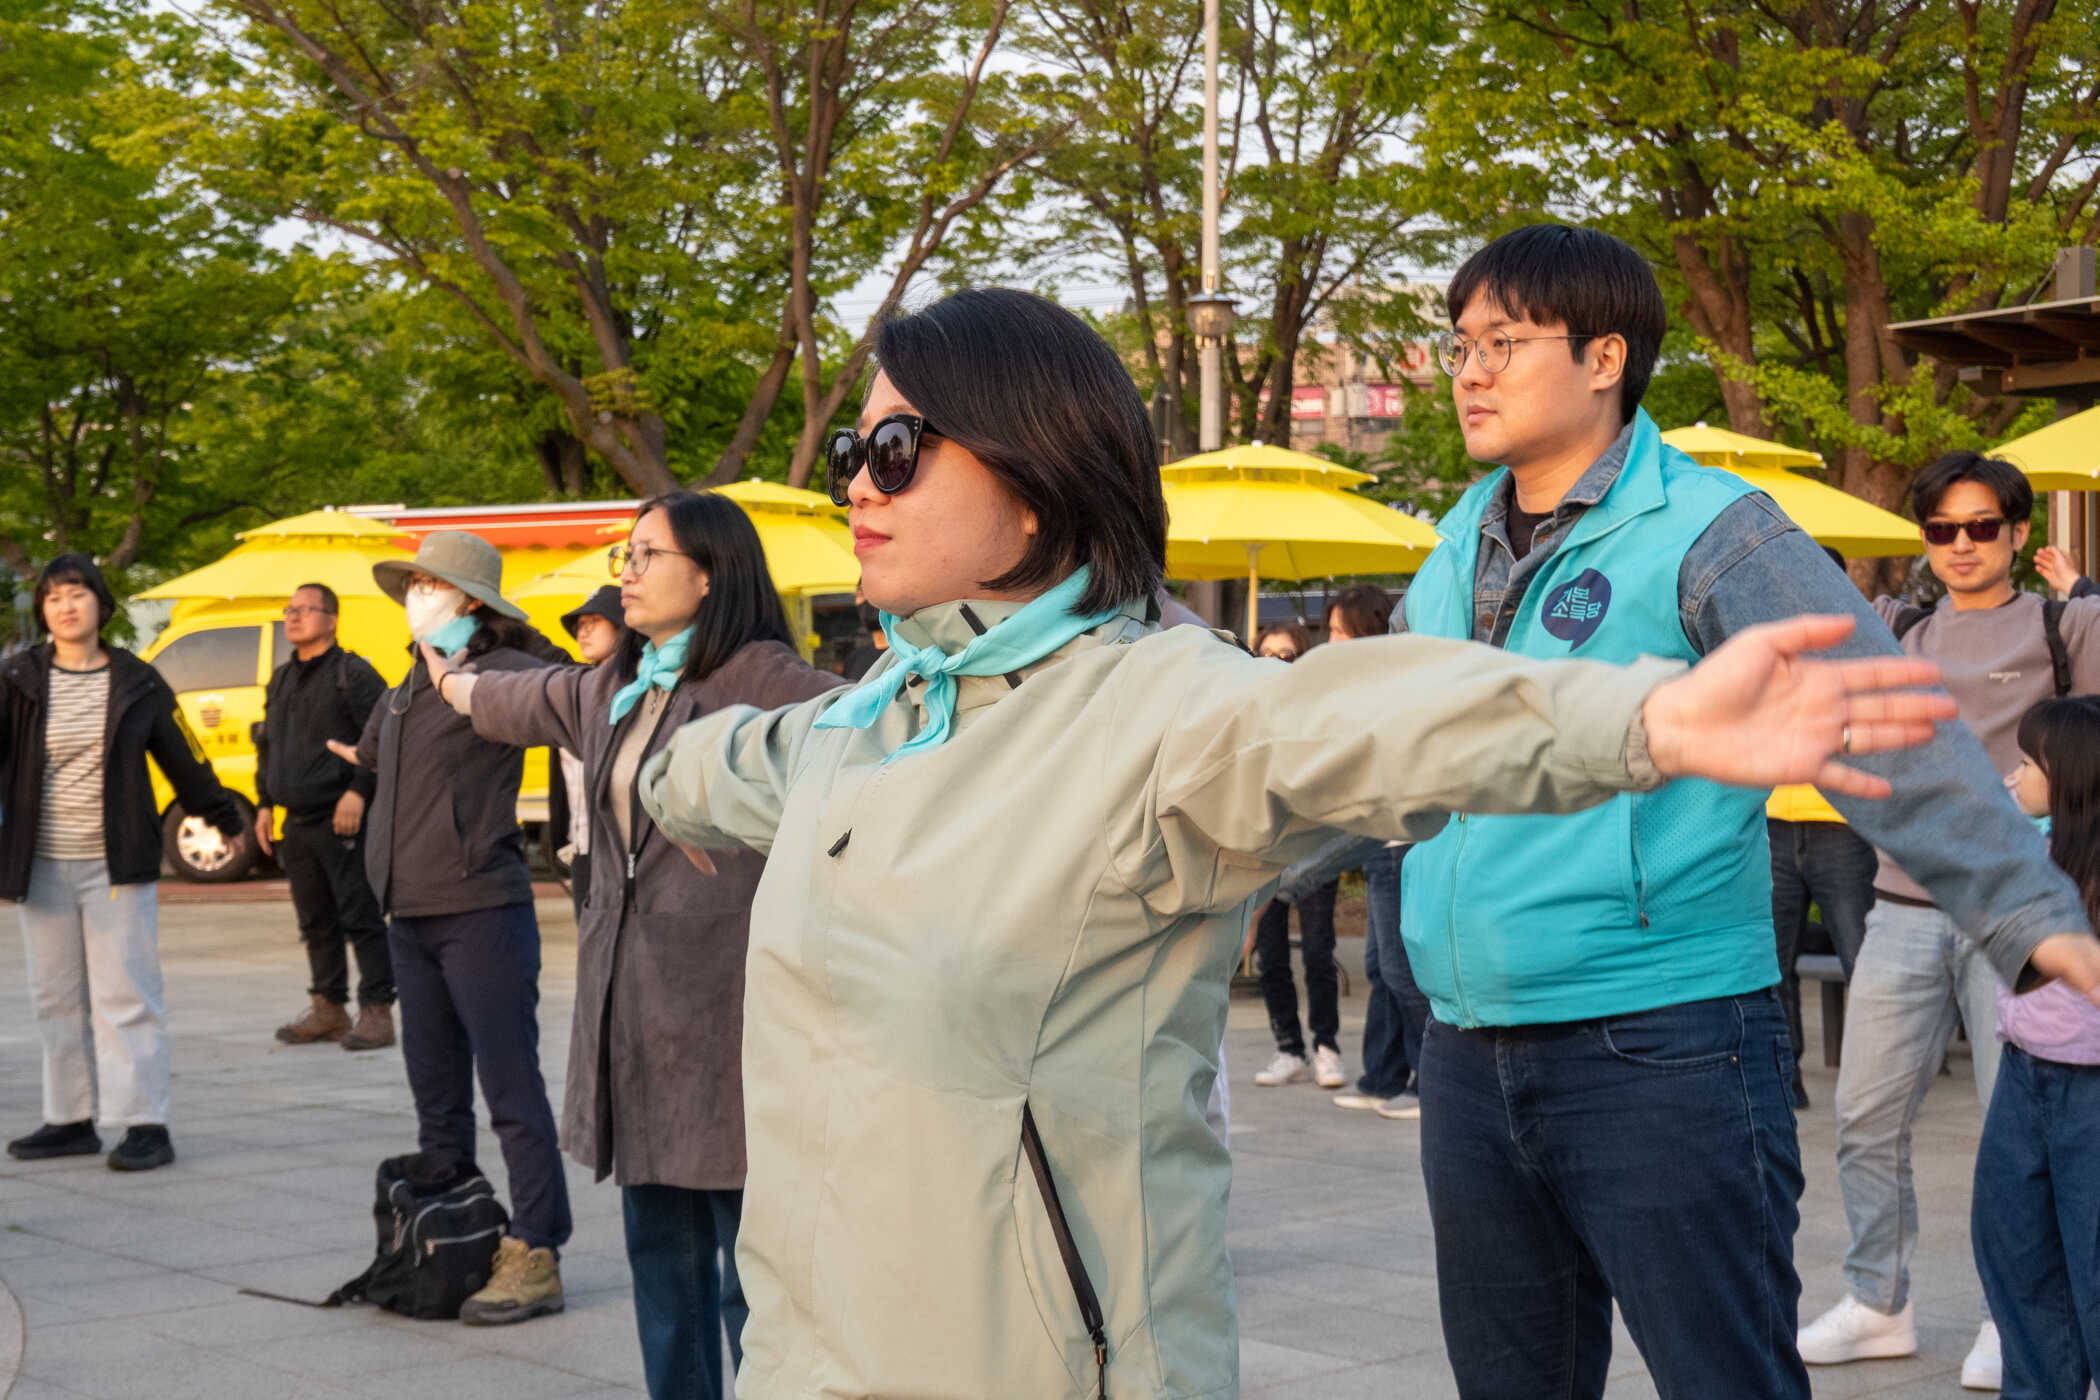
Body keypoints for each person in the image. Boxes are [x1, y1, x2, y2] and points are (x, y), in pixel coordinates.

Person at [633, 285, 1967, 1399]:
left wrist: (1643, 719)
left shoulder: (1151, 708)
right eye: (851, 452)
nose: (857, 483)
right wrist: (653, 773)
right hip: (803, 1362)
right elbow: (724, 763)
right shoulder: (867, 717)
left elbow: (1360, 718)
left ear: (1035, 486)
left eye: (896, 448)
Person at [1393, 224, 2100, 1400]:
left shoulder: (1714, 530)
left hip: (1659, 1042)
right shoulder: (1455, 542)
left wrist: (2029, 911)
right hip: (1465, 1050)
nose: (1469, 370)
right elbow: (1383, 746)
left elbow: (1885, 717)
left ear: (1606, 356)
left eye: (1502, 342)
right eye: (1460, 343)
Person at [425, 492, 842, 1399]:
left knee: (751, 1275)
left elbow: (865, 738)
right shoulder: (618, 685)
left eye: (649, 554)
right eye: (628, 553)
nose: (629, 571)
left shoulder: (765, 679)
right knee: (660, 1258)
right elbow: (510, 699)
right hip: (635, 1014)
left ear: (711, 573)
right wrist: (444, 664)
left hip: (730, 1012)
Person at [1802, 451, 2100, 1387]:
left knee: (2020, 1139)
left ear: (2019, 532)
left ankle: (2011, 1321)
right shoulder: (1899, 628)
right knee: (1865, 1112)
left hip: (2018, 913)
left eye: (1981, 526)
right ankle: (1877, 1300)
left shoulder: (2066, 625)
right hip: (1901, 900)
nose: (1961, 544)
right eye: (1941, 529)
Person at [336, 531, 573, 1326]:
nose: (416, 595)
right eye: (411, 584)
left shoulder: (502, 672)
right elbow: (372, 753)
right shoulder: (408, 682)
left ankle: (537, 1247)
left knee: (510, 1089)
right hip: (409, 916)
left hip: (482, 911)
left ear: (470, 598)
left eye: (429, 584)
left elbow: (562, 692)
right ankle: (455, 1240)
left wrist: (476, 664)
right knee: (437, 1100)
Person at [0, 554, 244, 1171]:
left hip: (116, 864)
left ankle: (145, 1123)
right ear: (42, 610)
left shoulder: (137, 680)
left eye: (77, 594)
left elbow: (183, 754)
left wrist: (223, 816)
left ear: (100, 604)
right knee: (54, 998)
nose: (65, 606)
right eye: (53, 597)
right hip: (42, 863)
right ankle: (70, 1118)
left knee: (127, 995)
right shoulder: (20, 679)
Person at [1973, 696, 2100, 1400]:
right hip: (2022, 1080)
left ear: (2075, 779)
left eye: (2028, 764)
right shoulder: (2030, 848)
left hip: (2091, 1096)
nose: (2011, 776)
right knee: (2017, 1261)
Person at [255, 583, 393, 1051]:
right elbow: (267, 745)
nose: (292, 617)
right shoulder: (281, 679)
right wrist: (264, 803)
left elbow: (383, 736)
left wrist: (358, 791)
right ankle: (328, 1007)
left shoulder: (353, 674)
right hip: (296, 820)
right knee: (315, 920)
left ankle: (377, 1010)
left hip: (343, 816)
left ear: (332, 619)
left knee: (361, 915)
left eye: (305, 609)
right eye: (289, 609)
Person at [1767, 551, 1880, 1110]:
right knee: (1772, 962)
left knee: (1865, 958)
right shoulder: (1764, 655)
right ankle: (1785, 1076)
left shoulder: (1861, 655)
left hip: (1842, 826)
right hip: (1771, 824)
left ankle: (1876, 1079)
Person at [1244, 622, 1347, 1090]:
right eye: (1263, 654)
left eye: (1285, 655)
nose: (1274, 663)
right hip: (1267, 851)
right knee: (1271, 956)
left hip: (1315, 847)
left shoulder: (1322, 711)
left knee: (1319, 952)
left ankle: (1327, 1047)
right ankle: (1289, 1048)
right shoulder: (1249, 712)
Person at [552, 585, 625, 919]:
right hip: (582, 848)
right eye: (580, 625)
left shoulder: (641, 692)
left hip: (622, 849)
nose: (583, 631)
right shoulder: (574, 691)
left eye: (595, 622)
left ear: (623, 626)